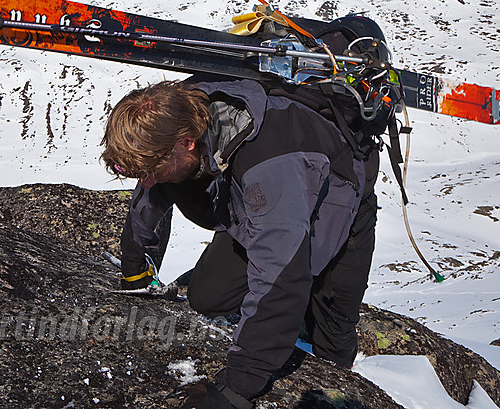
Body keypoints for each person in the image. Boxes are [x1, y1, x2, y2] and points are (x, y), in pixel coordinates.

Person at [101, 75, 380, 409]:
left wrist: (234, 391)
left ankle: (308, 322)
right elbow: (151, 192)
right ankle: (287, 317)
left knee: (332, 342)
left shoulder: (269, 163)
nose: (146, 180)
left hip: (339, 209)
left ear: (188, 142)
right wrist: (134, 269)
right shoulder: (180, 118)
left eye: (151, 169)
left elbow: (281, 278)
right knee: (207, 297)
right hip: (259, 210)